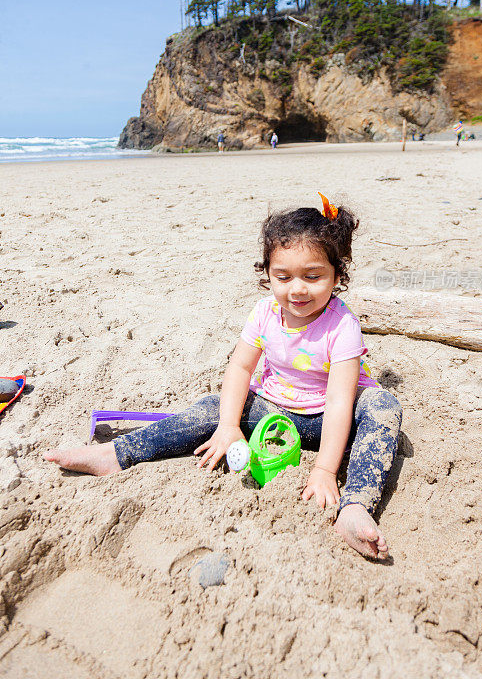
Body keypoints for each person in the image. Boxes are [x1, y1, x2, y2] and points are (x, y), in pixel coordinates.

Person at [44, 193, 402, 560]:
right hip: (275, 411)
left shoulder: (342, 324)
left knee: (383, 405)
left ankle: (356, 505)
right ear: (267, 274)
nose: (297, 289)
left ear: (337, 276)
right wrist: (230, 425)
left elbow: (340, 401)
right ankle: (118, 454)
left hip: (330, 420)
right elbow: (241, 368)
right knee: (211, 408)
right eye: (283, 276)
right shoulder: (265, 313)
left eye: (313, 276)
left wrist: (326, 469)